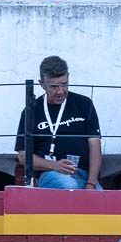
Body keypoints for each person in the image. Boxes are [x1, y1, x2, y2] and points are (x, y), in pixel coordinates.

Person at [15, 55, 102, 190]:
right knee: (69, 187)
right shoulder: (30, 111)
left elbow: (95, 145)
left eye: (64, 84)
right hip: (51, 173)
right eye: (54, 86)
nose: (61, 91)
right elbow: (22, 156)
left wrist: (91, 183)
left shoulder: (84, 104)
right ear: (42, 84)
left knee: (101, 202)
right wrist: (54, 165)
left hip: (84, 175)